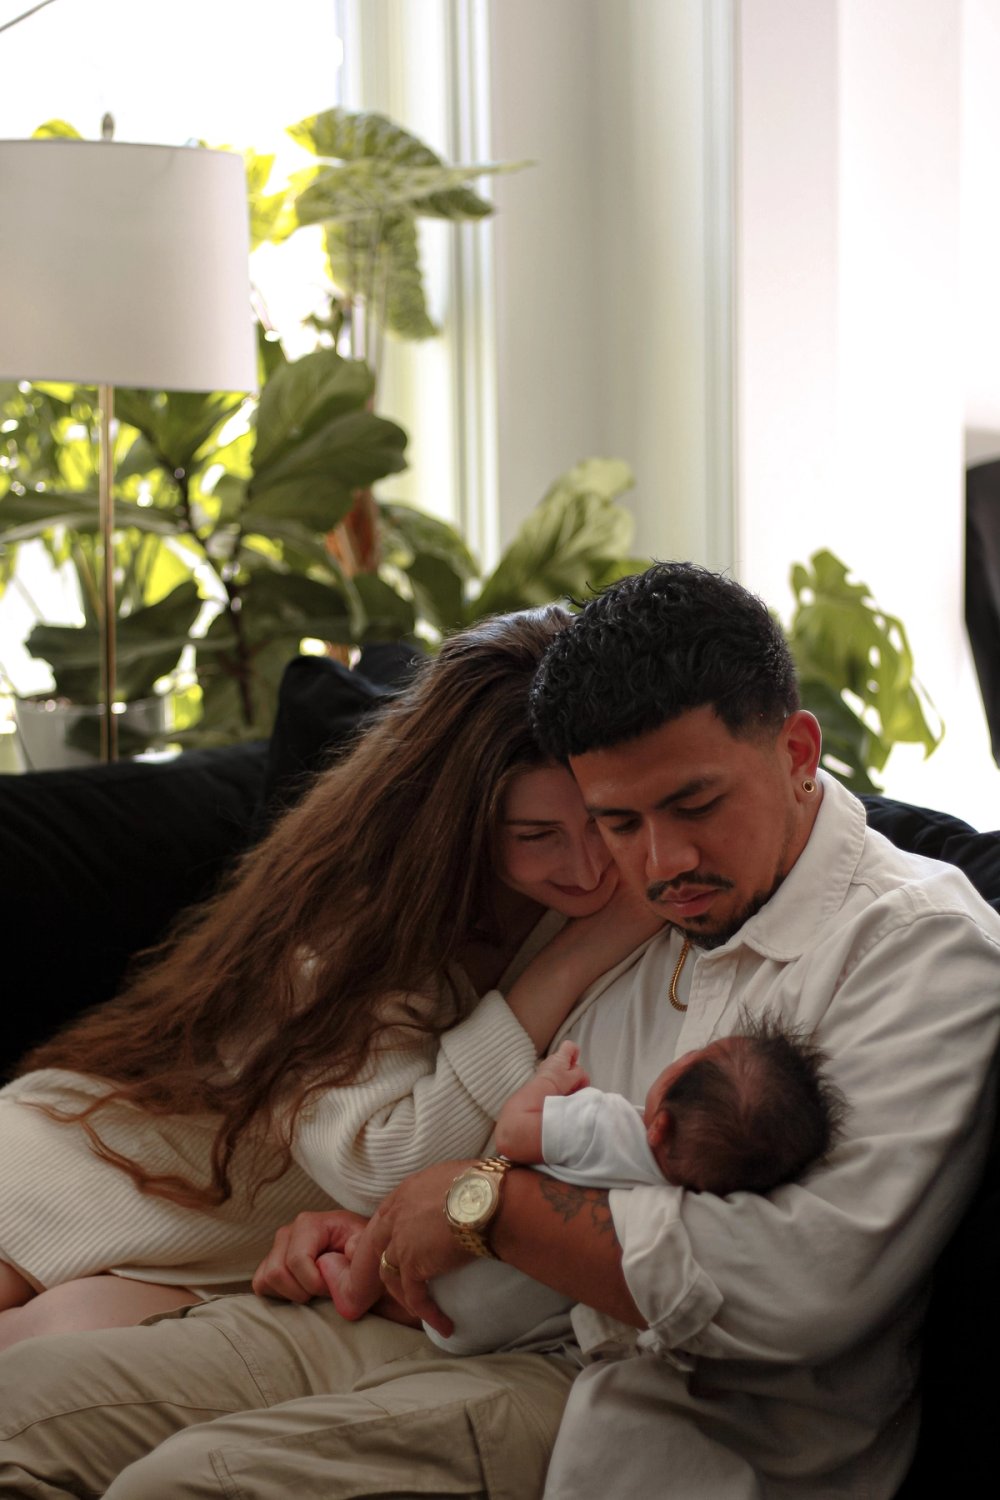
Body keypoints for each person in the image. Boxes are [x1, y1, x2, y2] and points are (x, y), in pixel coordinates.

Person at [1, 562, 998, 1500]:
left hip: (671, 1409)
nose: (658, 859)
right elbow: (506, 1162)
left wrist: (487, 1211)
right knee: (21, 1414)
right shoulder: (649, 913)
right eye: (618, 821)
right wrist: (384, 1238)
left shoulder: (917, 951)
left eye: (694, 803)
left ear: (794, 752)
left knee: (179, 1487)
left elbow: (795, 1284)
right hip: (466, 1321)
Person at [0, 606, 658, 1350]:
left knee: (45, 1365)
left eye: (604, 822)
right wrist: (578, 953)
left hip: (234, 1243)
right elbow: (382, 1163)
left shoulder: (610, 889)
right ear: (461, 822)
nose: (589, 867)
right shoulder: (360, 913)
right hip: (117, 1153)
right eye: (537, 836)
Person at [323, 1020, 846, 1357]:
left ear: (658, 1126)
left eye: (693, 1059)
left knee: (389, 1226)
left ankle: (349, 1287)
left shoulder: (607, 1123)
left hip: (446, 1266)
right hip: (491, 1334)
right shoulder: (680, 1204)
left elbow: (513, 1135)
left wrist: (550, 1080)